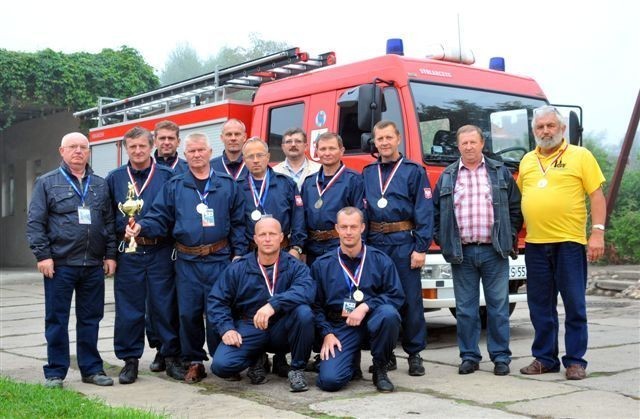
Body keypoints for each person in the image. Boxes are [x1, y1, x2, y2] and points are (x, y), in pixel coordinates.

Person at [126, 132, 247, 384]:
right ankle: (193, 361)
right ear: (185, 154)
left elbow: (238, 223)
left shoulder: (227, 184)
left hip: (220, 258)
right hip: (187, 261)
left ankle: (223, 357)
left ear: (210, 152)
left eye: (201, 150)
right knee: (188, 313)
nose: (196, 155)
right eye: (191, 151)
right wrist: (141, 226)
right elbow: (160, 216)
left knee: (219, 310)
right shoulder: (175, 185)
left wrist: (239, 255)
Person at [517, 105, 606, 381]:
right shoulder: (527, 161)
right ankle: (545, 359)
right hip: (535, 244)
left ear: (562, 128)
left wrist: (598, 232)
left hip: (569, 243)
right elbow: (522, 200)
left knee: (574, 305)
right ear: (534, 132)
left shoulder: (581, 156)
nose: (545, 131)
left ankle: (576, 361)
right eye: (540, 127)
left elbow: (597, 196)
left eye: (550, 126)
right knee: (540, 305)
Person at [26, 132, 117, 388]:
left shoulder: (100, 184)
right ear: (62, 151)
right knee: (57, 318)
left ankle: (91, 369)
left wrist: (110, 254)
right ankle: (55, 372)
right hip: (60, 264)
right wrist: (43, 255)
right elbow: (35, 222)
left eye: (83, 147)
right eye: (73, 147)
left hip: (93, 265)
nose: (78, 151)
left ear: (88, 152)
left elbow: (109, 222)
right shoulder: (47, 183)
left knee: (91, 318)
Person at [433, 125, 523, 376]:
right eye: (464, 143)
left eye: (473, 142)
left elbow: (515, 208)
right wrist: (443, 240)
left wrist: (510, 235)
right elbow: (436, 213)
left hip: (494, 251)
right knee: (465, 310)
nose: (469, 147)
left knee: (498, 307)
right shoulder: (448, 175)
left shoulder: (499, 172)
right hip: (462, 254)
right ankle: (469, 356)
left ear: (482, 143)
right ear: (458, 146)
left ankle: (501, 357)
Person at [105, 127, 184, 384]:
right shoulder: (114, 178)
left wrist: (147, 226)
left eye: (142, 146)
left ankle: (170, 356)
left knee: (164, 306)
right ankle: (130, 361)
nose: (137, 151)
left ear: (151, 146)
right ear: (125, 149)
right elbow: (107, 219)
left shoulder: (167, 176)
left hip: (160, 249)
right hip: (128, 252)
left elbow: (173, 214)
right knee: (129, 308)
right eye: (132, 147)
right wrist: (110, 255)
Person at [208, 217, 315, 392]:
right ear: (255, 239)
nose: (267, 239)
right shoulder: (238, 268)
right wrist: (226, 328)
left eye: (272, 234)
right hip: (250, 326)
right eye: (262, 234)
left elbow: (306, 290)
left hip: (283, 326)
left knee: (304, 313)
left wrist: (274, 304)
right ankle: (255, 359)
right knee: (221, 366)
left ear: (281, 237)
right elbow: (217, 300)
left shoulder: (295, 266)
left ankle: (297, 369)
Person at [362, 120, 434, 376]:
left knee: (410, 301)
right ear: (375, 142)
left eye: (388, 138)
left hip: (403, 242)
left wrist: (421, 247)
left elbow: (425, 212)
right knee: (378, 300)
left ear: (398, 138)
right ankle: (386, 354)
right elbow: (363, 210)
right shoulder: (368, 172)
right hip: (375, 245)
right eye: (379, 139)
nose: (384, 143)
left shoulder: (414, 170)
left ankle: (415, 354)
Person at [311, 207, 404, 392]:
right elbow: (315, 306)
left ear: (362, 228)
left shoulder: (380, 260)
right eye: (344, 227)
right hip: (340, 326)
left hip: (372, 322)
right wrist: (327, 333)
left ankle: (380, 369)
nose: (348, 232)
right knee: (330, 382)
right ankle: (348, 363)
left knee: (389, 314)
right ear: (336, 228)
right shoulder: (322, 265)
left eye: (353, 227)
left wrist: (366, 306)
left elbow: (396, 295)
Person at [238, 137, 307, 379]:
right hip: (250, 254)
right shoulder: (237, 186)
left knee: (283, 303)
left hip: (283, 253)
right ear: (243, 160)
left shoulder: (286, 184)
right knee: (252, 303)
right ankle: (257, 358)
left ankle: (280, 357)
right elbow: (235, 223)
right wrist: (238, 253)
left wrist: (297, 247)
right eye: (250, 156)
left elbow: (299, 216)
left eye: (260, 155)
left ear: (268, 157)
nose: (255, 160)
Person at [301, 132, 365, 267]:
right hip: (313, 249)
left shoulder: (354, 180)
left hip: (341, 247)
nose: (327, 153)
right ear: (317, 152)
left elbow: (362, 217)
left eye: (332, 148)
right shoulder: (309, 182)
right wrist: (301, 248)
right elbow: (301, 218)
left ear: (341, 151)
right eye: (323, 149)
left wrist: (359, 250)